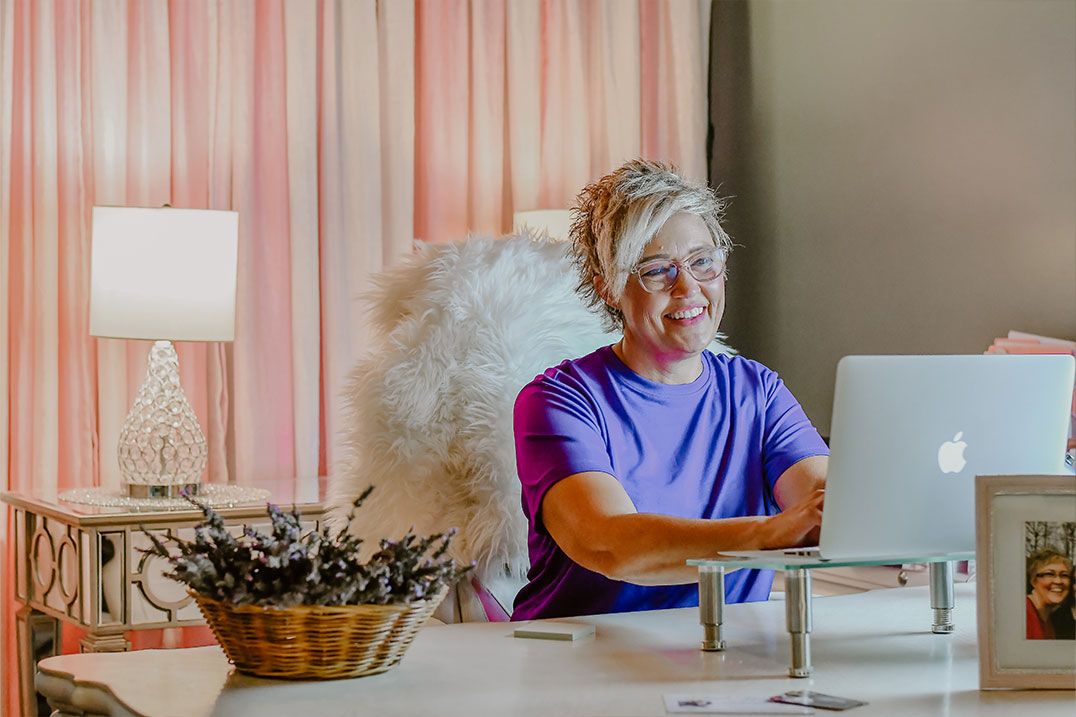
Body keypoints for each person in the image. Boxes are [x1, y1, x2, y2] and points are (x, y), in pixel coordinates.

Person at [512, 160, 828, 620]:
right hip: (575, 659)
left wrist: (839, 507)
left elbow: (817, 496)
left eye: (703, 262)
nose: (688, 288)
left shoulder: (757, 390)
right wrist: (770, 532)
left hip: (722, 653)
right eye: (657, 270)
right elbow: (612, 544)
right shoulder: (558, 401)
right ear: (609, 289)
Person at [1025, 547, 1074, 640]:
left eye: (1064, 575)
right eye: (1049, 574)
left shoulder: (1049, 620)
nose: (1058, 581)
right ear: (1033, 581)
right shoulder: (1023, 615)